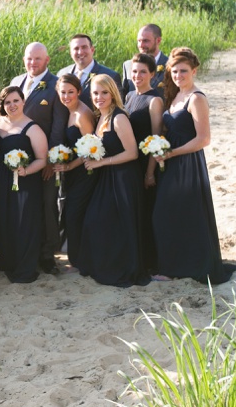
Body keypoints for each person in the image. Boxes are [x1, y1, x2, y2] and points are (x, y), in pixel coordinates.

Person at [152, 48, 236, 284]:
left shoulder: (196, 98)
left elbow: (203, 139)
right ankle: (175, 265)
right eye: (175, 71)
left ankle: (176, 268)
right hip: (170, 161)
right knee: (169, 214)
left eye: (183, 71)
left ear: (194, 71)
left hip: (187, 163)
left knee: (177, 214)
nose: (179, 75)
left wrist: (172, 153)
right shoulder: (177, 95)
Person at [77, 75, 148, 287]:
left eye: (104, 93)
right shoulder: (101, 117)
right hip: (107, 177)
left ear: (113, 93)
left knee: (117, 223)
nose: (99, 97)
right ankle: (103, 265)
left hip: (123, 178)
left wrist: (101, 162)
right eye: (95, 93)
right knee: (96, 221)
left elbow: (132, 153)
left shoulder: (118, 118)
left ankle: (122, 268)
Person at [10, 42, 67, 274]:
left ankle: (47, 255)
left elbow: (58, 125)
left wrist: (51, 161)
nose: (32, 63)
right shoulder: (16, 82)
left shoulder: (55, 85)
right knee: (23, 205)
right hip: (17, 159)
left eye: (37, 59)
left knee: (46, 205)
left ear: (47, 60)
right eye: (29, 58)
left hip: (44, 160)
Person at [0, 86, 48, 283]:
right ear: (2, 105)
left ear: (23, 102)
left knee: (22, 222)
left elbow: (42, 159)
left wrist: (25, 170)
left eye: (15, 101)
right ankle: (3, 260)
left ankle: (22, 263)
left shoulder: (32, 128)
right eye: (7, 102)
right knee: (2, 218)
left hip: (24, 182)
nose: (12, 105)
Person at [52, 74, 97, 273]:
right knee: (71, 214)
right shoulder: (67, 111)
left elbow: (90, 149)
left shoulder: (83, 114)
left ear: (79, 91)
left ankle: (79, 262)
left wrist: (70, 166)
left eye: (71, 92)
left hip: (84, 173)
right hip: (72, 172)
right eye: (63, 92)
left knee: (74, 215)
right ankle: (76, 259)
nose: (66, 96)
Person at [124, 53, 165, 274]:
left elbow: (156, 138)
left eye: (142, 71)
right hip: (129, 162)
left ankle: (151, 262)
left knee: (148, 211)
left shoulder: (154, 100)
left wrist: (150, 172)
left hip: (145, 163)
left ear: (152, 74)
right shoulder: (129, 95)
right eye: (134, 71)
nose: (137, 75)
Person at [56, 34, 124, 110]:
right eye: (76, 48)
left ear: (92, 50)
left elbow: (118, 107)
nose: (80, 52)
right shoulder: (61, 74)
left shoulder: (110, 76)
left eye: (84, 47)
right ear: (70, 53)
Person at [122, 24, 169, 97]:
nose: (141, 45)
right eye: (139, 41)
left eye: (145, 41)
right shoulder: (128, 65)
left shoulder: (170, 66)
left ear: (158, 40)